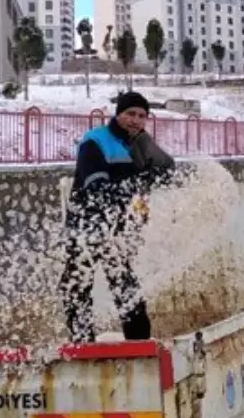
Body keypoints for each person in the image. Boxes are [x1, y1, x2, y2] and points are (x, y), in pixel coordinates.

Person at [59, 91, 185, 343]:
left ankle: (139, 342)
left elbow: (170, 173)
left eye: (142, 116)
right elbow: (97, 189)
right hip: (87, 224)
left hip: (118, 228)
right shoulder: (95, 141)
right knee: (77, 284)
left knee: (125, 284)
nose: (136, 120)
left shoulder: (140, 144)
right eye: (130, 114)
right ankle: (82, 343)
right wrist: (140, 180)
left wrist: (154, 163)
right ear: (118, 114)